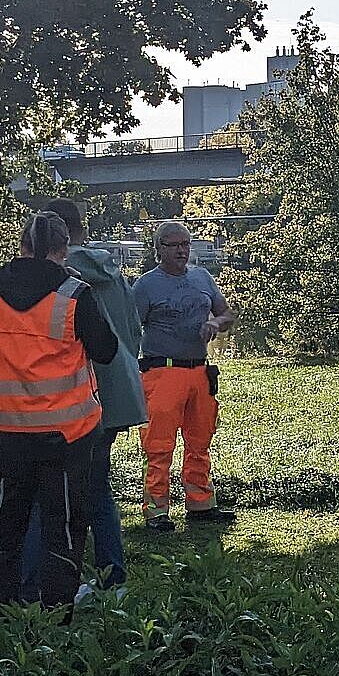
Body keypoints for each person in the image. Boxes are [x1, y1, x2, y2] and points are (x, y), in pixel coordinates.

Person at [0, 211, 118, 610]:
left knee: (4, 527)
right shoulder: (74, 293)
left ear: (21, 245)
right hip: (66, 436)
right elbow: (106, 350)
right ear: (63, 248)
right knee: (63, 529)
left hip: (5, 431)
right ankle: (56, 616)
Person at [133, 221, 236, 531]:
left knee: (200, 441)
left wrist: (216, 323)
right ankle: (157, 512)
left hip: (199, 371)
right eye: (173, 245)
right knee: (159, 445)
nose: (181, 250)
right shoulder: (145, 286)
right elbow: (128, 330)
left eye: (185, 244)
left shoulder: (202, 277)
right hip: (162, 371)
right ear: (158, 249)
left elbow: (228, 313)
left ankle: (200, 504)